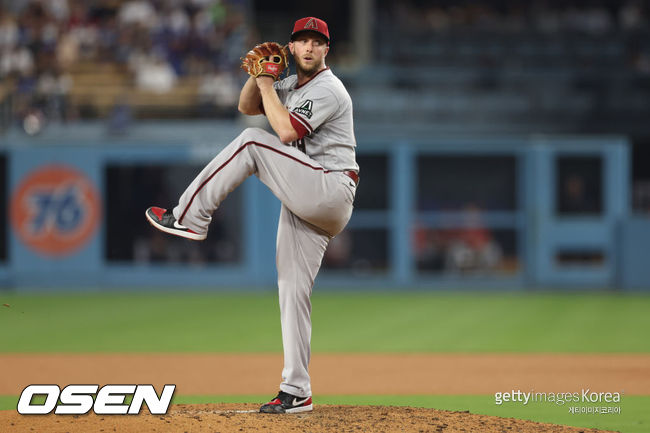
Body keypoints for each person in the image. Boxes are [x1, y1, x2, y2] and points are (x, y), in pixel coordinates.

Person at [145, 16, 359, 414]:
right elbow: (247, 106)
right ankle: (297, 390)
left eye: (317, 42)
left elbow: (286, 133)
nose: (310, 48)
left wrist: (265, 82)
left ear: (327, 49)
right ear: (292, 47)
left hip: (330, 188)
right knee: (292, 289)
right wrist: (257, 74)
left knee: (250, 143)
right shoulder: (290, 85)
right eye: (302, 41)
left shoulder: (329, 88)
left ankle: (189, 216)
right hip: (311, 197)